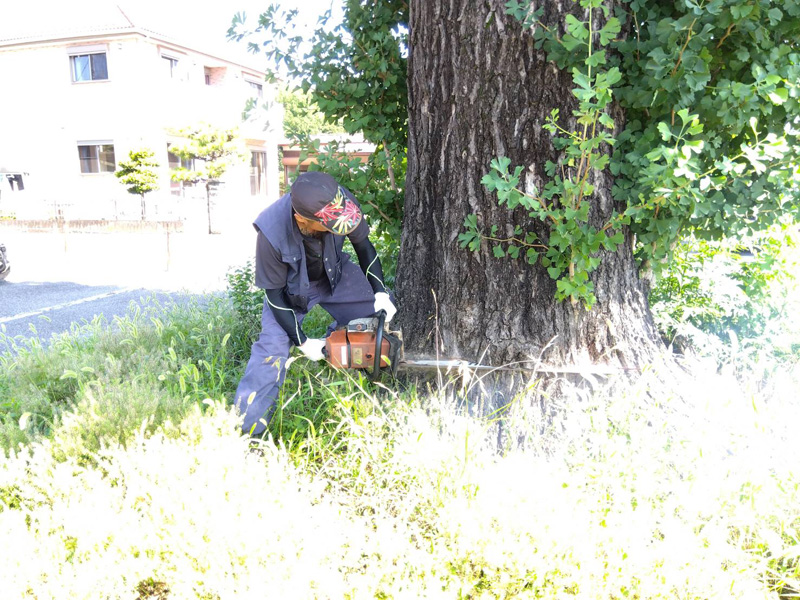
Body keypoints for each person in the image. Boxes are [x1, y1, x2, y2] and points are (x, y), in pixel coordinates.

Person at [233, 171, 397, 436]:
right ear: (302, 220)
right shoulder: (271, 232)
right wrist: (302, 341)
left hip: (334, 275)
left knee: (376, 322)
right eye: (331, 225)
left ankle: (351, 363)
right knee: (270, 354)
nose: (339, 226)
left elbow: (364, 246)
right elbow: (274, 296)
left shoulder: (340, 202)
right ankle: (246, 433)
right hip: (290, 292)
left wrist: (380, 293)